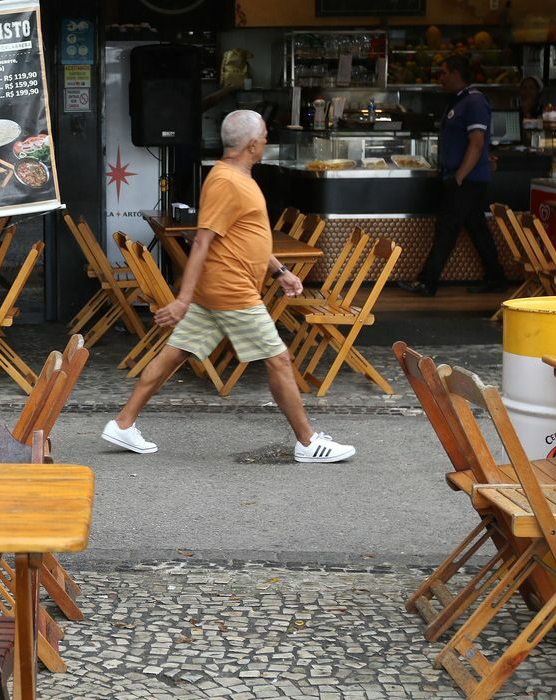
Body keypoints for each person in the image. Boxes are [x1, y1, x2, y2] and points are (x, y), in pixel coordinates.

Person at [101, 110, 355, 464]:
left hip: (220, 290)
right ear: (252, 144)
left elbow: (244, 235)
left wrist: (280, 270)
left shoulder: (237, 177)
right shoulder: (225, 181)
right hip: (232, 291)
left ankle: (123, 423)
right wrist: (182, 300)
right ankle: (308, 442)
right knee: (280, 359)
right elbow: (202, 241)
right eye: (265, 134)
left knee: (175, 352)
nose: (267, 139)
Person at [399, 54, 506, 297]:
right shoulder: (458, 101)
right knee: (477, 228)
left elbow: (476, 142)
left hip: (468, 180)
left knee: (446, 228)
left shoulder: (474, 102)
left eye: (444, 72)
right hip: (464, 177)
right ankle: (496, 278)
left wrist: (459, 176)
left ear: (456, 74)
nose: (441, 78)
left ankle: (428, 282)